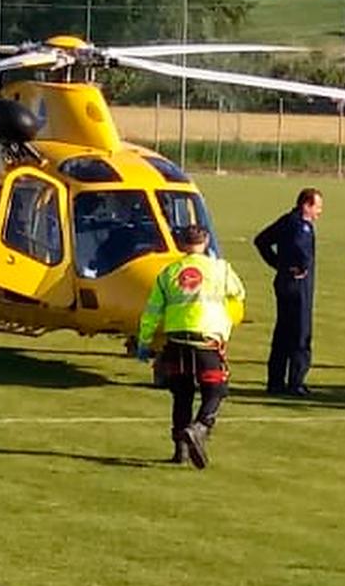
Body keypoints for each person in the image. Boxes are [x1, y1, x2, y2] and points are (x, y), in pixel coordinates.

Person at [135, 224, 245, 470]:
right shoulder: (220, 269)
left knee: (182, 396)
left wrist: (144, 342)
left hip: (176, 342)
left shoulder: (169, 272)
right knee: (216, 390)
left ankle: (180, 452)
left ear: (182, 244)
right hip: (205, 340)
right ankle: (200, 427)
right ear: (205, 242)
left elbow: (152, 311)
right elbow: (238, 293)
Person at [255, 187, 322, 397]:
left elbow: (261, 240)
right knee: (301, 332)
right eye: (318, 207)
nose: (320, 212)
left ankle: (275, 382)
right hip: (297, 285)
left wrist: (278, 264)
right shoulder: (300, 226)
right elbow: (301, 253)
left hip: (284, 282)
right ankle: (296, 382)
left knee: (282, 332)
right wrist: (295, 267)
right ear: (307, 205)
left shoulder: (286, 220)